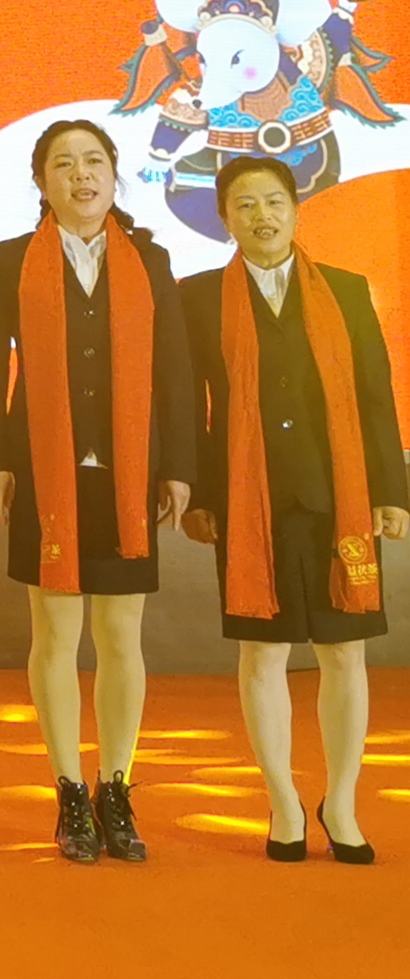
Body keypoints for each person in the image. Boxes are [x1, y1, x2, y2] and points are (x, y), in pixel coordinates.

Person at [178, 156, 409, 864]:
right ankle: (282, 800)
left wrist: (390, 490)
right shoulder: (197, 298)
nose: (262, 215)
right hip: (248, 501)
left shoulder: (345, 289)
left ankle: (341, 802)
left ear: (296, 208)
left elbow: (374, 394)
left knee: (344, 652)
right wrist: (201, 495)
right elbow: (190, 405)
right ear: (225, 218)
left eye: (273, 201)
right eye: (245, 204)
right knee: (263, 651)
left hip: (338, 496)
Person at [0, 118, 193, 864]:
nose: (81, 175)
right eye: (63, 164)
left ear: (114, 171)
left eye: (93, 160)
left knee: (122, 635)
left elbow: (175, 366)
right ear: (41, 181)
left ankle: (116, 786)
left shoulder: (150, 259)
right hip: (43, 467)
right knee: (56, 633)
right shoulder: (10, 260)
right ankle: (69, 788)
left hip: (131, 470)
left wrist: (178, 463)